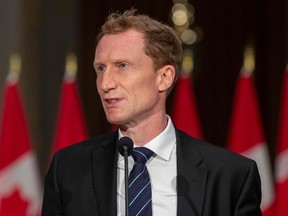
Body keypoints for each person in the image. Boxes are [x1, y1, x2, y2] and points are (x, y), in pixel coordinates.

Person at [42, 9, 262, 216]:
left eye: (122, 66)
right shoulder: (69, 169)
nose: (105, 83)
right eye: (100, 68)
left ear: (164, 77)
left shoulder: (230, 175)